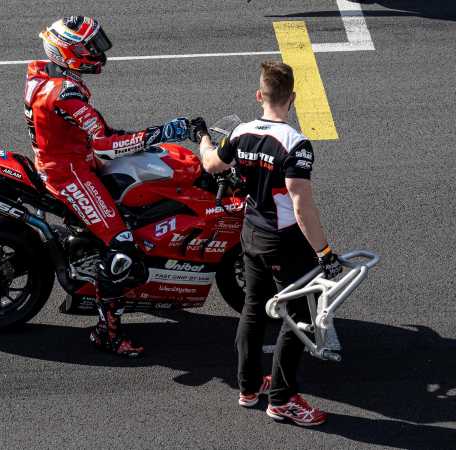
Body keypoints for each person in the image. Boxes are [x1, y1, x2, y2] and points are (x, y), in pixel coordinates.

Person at [24, 16, 189, 357]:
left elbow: (95, 132)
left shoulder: (47, 76)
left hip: (70, 156)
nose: (99, 53)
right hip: (69, 172)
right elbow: (105, 145)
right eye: (91, 47)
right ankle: (106, 333)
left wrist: (140, 140)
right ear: (70, 52)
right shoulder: (64, 93)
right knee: (123, 246)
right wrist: (162, 132)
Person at [190, 61, 342, 426]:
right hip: (284, 242)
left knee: (254, 309)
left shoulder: (241, 132)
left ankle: (248, 388)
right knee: (302, 317)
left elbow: (211, 164)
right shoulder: (296, 144)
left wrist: (203, 139)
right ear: (292, 98)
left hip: (251, 235)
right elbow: (302, 206)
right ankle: (283, 399)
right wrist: (325, 253)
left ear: (259, 96)